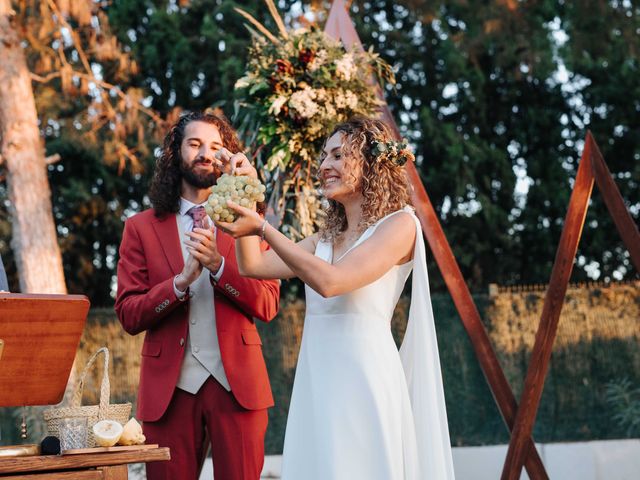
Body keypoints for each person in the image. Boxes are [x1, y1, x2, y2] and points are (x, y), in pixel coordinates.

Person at [218, 117, 455, 480]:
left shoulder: (400, 226)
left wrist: (264, 228)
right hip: (319, 378)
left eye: (338, 155)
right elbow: (252, 264)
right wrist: (247, 188)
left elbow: (332, 282)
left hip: (365, 379)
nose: (325, 165)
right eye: (324, 157)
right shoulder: (323, 239)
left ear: (371, 164)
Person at [115, 111, 280, 480]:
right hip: (169, 393)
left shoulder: (248, 219)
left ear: (227, 158)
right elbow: (128, 314)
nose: (206, 153)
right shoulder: (140, 228)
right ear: (176, 152)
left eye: (216, 146)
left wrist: (220, 267)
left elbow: (268, 304)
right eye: (195, 144)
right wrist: (180, 282)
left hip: (237, 386)